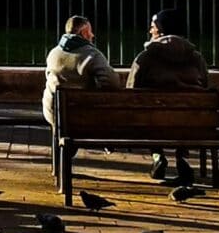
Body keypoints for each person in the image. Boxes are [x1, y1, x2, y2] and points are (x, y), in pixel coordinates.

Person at [129, 10, 210, 195]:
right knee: (185, 113)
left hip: (154, 123)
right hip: (192, 123)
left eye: (153, 27)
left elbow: (131, 91)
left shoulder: (146, 57)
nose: (150, 31)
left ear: (161, 30)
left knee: (152, 112)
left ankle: (157, 155)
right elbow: (206, 87)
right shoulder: (196, 57)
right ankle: (183, 159)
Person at [43, 12, 114, 127]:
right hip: (84, 116)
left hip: (54, 114)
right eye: (90, 31)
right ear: (84, 32)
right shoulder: (91, 54)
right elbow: (111, 82)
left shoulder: (53, 54)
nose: (92, 35)